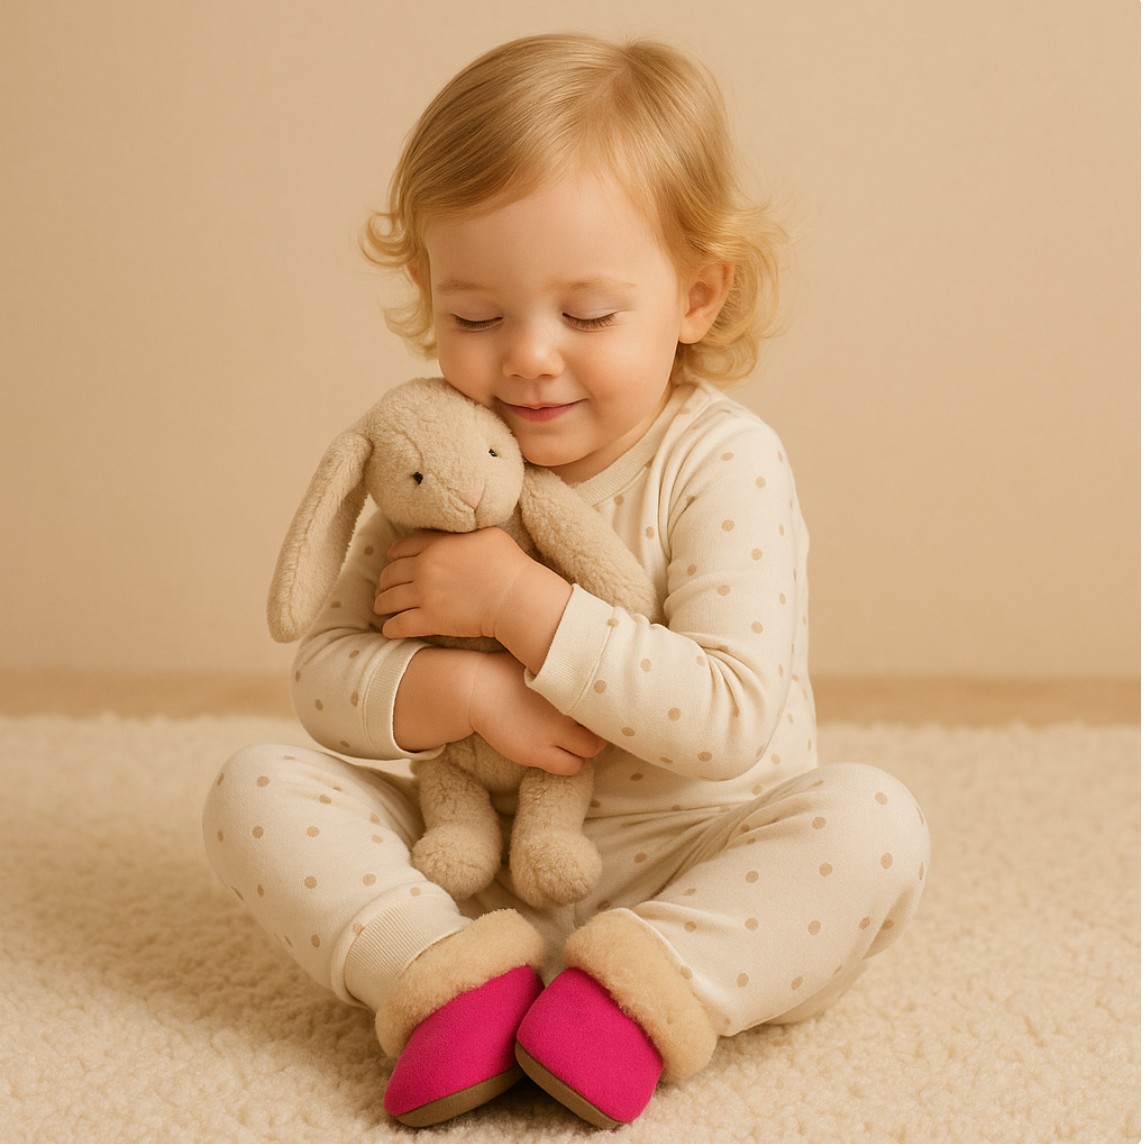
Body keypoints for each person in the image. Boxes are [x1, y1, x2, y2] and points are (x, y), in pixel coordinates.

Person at [203, 32, 929, 1130]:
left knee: (873, 824)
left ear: (696, 296)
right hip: (477, 869)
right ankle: (448, 974)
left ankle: (641, 992)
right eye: (476, 316)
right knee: (253, 788)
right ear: (429, 291)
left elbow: (730, 717)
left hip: (693, 862)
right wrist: (465, 695)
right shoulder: (439, 461)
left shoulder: (723, 460)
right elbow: (324, 677)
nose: (529, 356)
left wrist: (517, 605)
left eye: (587, 316)